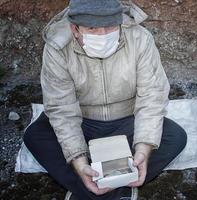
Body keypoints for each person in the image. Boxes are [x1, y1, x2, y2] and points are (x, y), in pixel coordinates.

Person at [23, 0, 187, 199]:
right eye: (92, 28)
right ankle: (104, 183)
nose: (102, 35)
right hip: (84, 124)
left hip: (127, 123)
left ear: (119, 22)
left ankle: (94, 188)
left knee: (174, 136)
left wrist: (143, 150)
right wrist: (79, 161)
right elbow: (61, 109)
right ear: (75, 29)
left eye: (109, 27)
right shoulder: (57, 47)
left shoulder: (140, 39)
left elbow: (152, 97)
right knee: (35, 135)